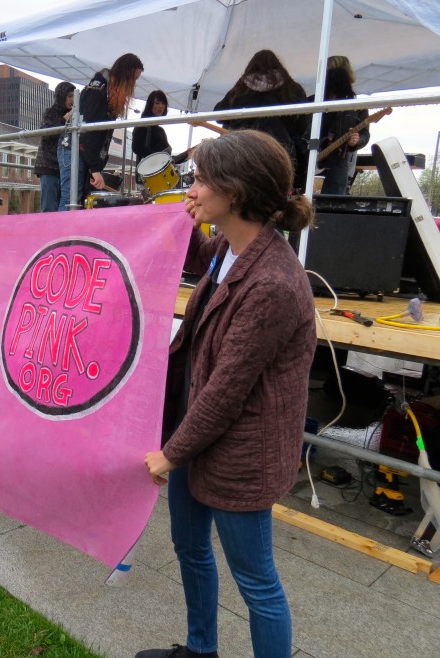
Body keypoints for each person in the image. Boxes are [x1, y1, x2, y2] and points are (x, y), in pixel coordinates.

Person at [140, 130, 317, 658]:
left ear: (235, 192)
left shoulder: (273, 284)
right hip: (195, 433)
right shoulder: (233, 247)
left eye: (199, 181)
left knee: (257, 583)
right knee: (190, 549)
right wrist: (172, 220)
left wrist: (170, 454)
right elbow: (202, 257)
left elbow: (225, 393)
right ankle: (201, 650)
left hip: (241, 454)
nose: (191, 190)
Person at [214, 50, 309, 190]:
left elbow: (219, 114)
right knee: (278, 192)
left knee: (245, 191)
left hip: (243, 150)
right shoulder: (293, 89)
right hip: (281, 150)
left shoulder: (240, 90)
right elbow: (303, 123)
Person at [58, 53, 143, 210]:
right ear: (124, 76)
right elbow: (89, 131)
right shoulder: (99, 91)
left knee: (76, 198)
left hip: (80, 148)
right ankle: (62, 226)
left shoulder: (104, 90)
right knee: (70, 198)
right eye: (132, 79)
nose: (133, 85)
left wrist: (94, 166)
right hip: (75, 147)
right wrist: (95, 169)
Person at [315, 56, 369, 195]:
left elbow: (365, 134)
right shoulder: (314, 101)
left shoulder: (357, 106)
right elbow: (302, 133)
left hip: (340, 160)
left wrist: (357, 140)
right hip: (312, 155)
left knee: (333, 200)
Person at [35, 81, 75, 212]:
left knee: (64, 205)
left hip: (64, 166)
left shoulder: (74, 115)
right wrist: (64, 120)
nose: (72, 100)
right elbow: (46, 134)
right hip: (49, 165)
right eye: (69, 96)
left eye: (74, 96)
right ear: (61, 96)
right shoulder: (50, 112)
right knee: (49, 207)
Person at [132, 90, 172, 164]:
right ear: (150, 105)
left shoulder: (160, 130)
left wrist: (185, 155)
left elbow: (167, 154)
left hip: (159, 167)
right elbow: (136, 147)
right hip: (148, 168)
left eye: (163, 103)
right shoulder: (142, 125)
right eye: (157, 103)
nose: (161, 106)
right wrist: (156, 157)